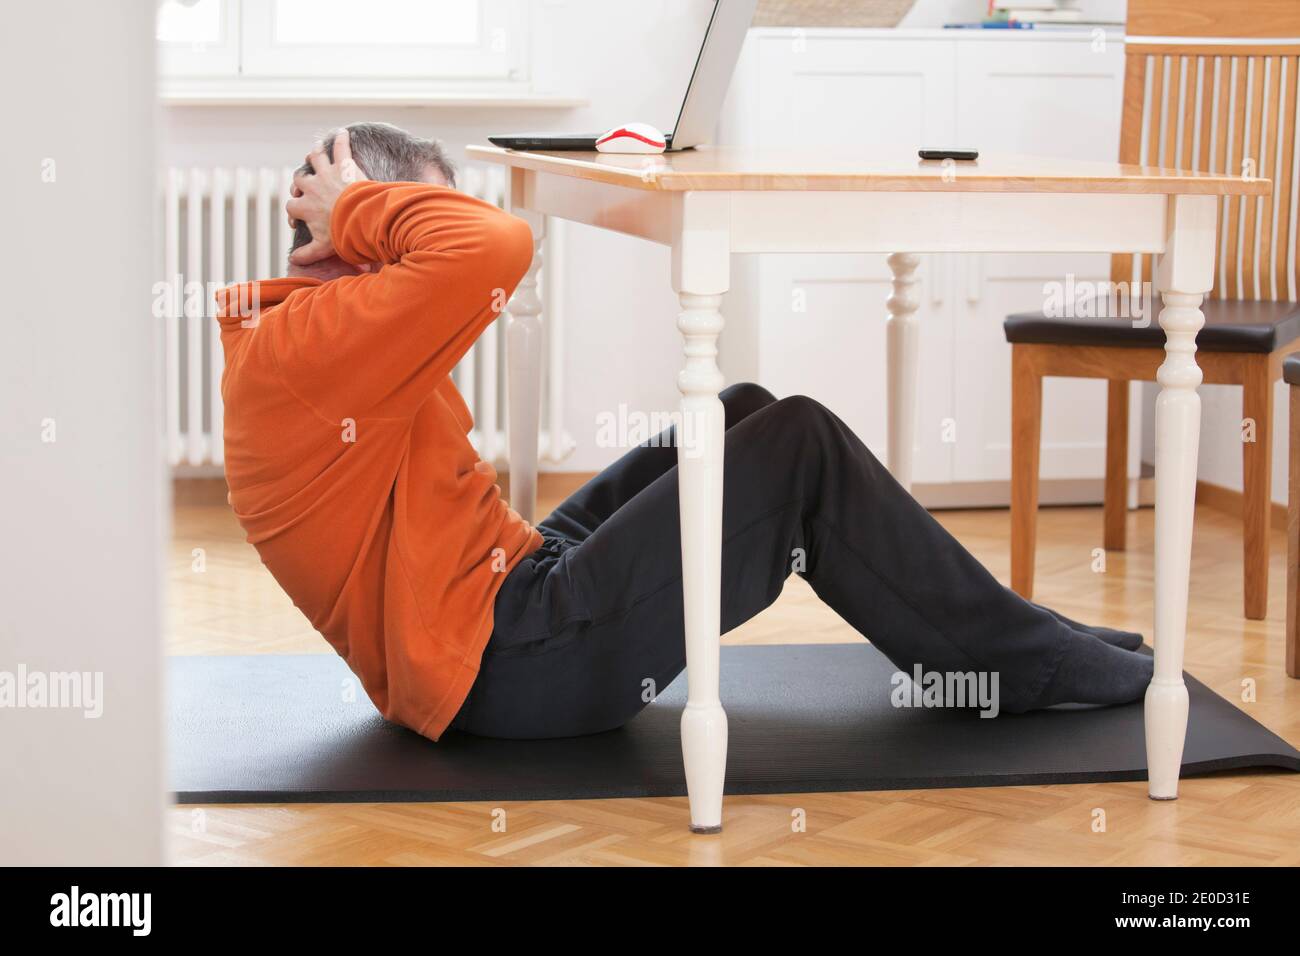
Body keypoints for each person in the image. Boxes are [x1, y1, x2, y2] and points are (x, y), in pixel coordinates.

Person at [216, 122, 1152, 743]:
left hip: (506, 592)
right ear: (333, 230)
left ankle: (1025, 631)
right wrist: (363, 215)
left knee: (736, 410)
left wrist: (372, 226)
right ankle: (1024, 663)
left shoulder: (308, 330)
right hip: (507, 665)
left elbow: (471, 248)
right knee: (800, 445)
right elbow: (498, 247)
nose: (414, 246)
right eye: (399, 225)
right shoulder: (307, 347)